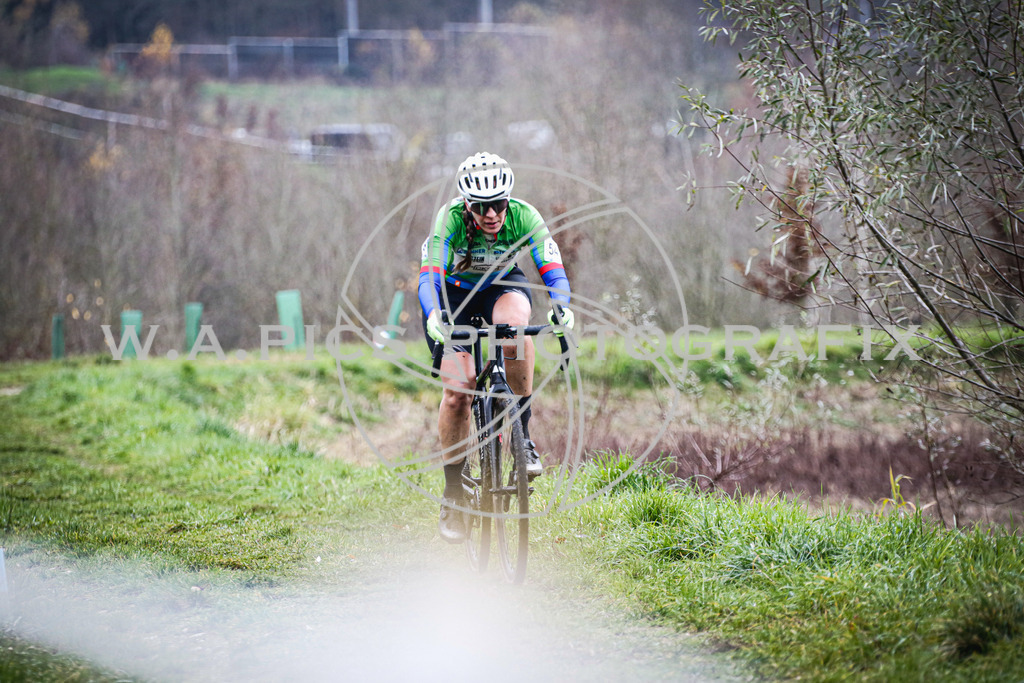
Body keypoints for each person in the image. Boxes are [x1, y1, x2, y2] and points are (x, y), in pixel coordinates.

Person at [418, 151, 574, 543]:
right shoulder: (450, 220)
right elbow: (429, 277)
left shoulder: (524, 216)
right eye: (481, 207)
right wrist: (434, 315)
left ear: (508, 199)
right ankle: (454, 492)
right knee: (459, 392)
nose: (491, 214)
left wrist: (561, 306)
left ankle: (522, 433)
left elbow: (552, 270)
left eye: (498, 204)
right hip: (452, 295)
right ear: (467, 204)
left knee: (516, 330)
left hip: (501, 286)